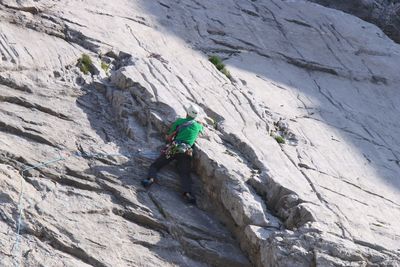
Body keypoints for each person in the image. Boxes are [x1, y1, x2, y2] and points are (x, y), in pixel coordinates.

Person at [141, 104, 204, 204]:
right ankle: (187, 193)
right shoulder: (198, 126)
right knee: (184, 174)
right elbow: (202, 131)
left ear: (187, 113)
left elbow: (170, 136)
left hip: (174, 148)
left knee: (156, 165)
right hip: (186, 151)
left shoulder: (179, 122)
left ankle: (150, 179)